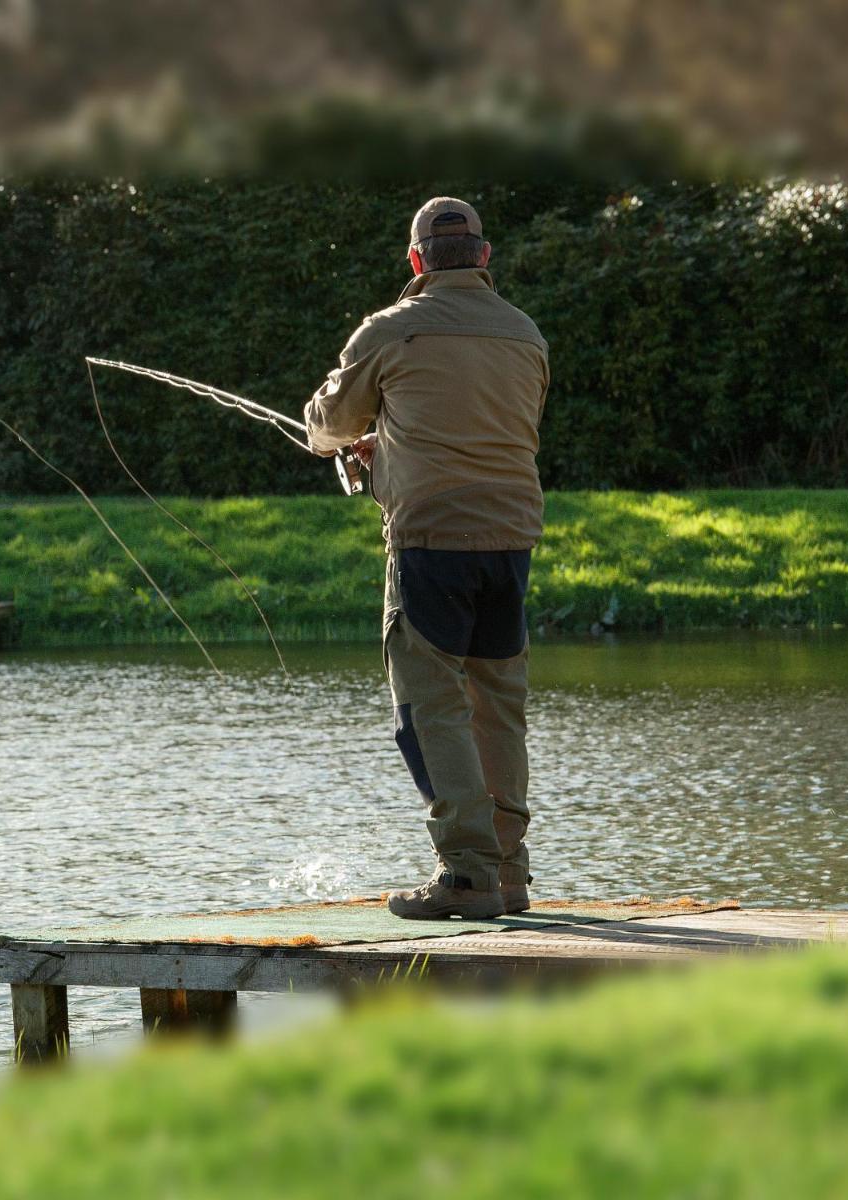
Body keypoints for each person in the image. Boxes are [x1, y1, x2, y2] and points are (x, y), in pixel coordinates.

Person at [304, 197, 549, 920]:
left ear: (416, 262)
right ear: (484, 255)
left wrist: (353, 444)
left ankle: (468, 875)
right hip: (511, 541)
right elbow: (485, 426)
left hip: (431, 543)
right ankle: (508, 875)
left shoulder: (392, 329)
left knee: (428, 709)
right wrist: (394, 446)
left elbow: (329, 423)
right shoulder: (525, 334)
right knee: (497, 706)